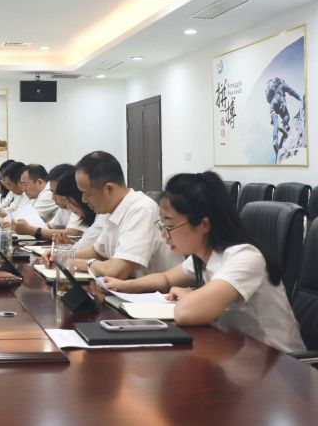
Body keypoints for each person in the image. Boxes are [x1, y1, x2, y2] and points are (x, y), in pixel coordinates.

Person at [102, 171, 305, 353]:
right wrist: (126, 286)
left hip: (279, 364)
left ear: (203, 225)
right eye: (162, 225)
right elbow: (166, 278)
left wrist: (191, 295)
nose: (164, 235)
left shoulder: (245, 257)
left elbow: (185, 313)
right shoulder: (205, 255)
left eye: (169, 225)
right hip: (237, 350)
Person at [68, 151, 181, 278]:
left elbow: (117, 271)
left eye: (87, 194)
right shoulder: (112, 210)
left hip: (162, 289)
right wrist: (61, 256)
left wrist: (80, 263)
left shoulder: (141, 209)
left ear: (109, 189)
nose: (83, 200)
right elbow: (98, 251)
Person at [39, 170, 105, 257]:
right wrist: (70, 246)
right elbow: (89, 247)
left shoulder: (103, 217)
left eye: (68, 200)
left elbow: (94, 251)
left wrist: (59, 254)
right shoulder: (99, 216)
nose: (84, 199)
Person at [265, 76, 302, 154]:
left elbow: (271, 101)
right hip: (279, 100)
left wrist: (272, 119)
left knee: (275, 125)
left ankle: (275, 141)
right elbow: (291, 91)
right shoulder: (282, 84)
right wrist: (299, 97)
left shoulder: (272, 88)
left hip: (272, 105)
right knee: (287, 116)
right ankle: (283, 125)